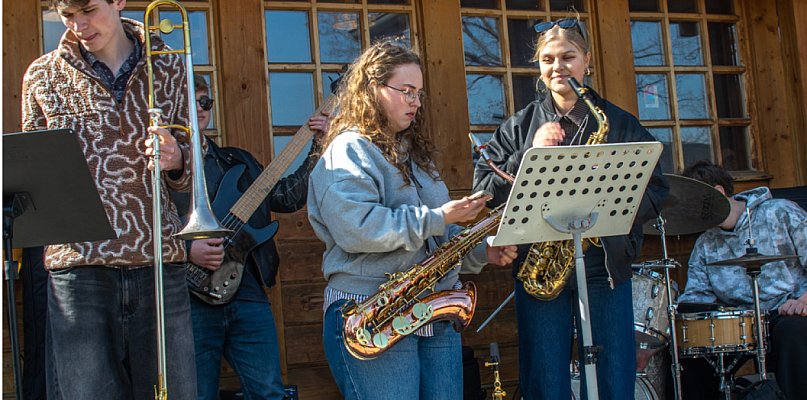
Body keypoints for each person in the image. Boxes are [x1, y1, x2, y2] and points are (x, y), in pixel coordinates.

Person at [307, 40, 518, 399]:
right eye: (406, 91)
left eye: (419, 93)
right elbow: (357, 230)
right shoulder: (346, 150)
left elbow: (437, 238)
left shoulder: (416, 156)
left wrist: (484, 250)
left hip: (432, 312)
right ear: (372, 88)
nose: (416, 102)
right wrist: (437, 217)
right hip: (371, 310)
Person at [472, 18, 669, 400]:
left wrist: (615, 211)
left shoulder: (620, 123)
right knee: (546, 380)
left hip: (603, 265)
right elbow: (484, 187)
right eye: (548, 59)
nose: (557, 66)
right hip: (540, 266)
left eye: (567, 57)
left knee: (615, 375)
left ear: (587, 62)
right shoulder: (521, 125)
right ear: (539, 66)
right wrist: (528, 156)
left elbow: (656, 188)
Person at [21, 0, 197, 398]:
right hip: (78, 270)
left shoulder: (168, 66)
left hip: (158, 263)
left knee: (175, 393)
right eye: (68, 16)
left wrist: (178, 158)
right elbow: (34, 176)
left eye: (89, 9)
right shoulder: (42, 75)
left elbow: (192, 173)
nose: (80, 24)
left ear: (118, 2)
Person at [172, 76, 320, 400]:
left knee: (269, 393)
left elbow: (286, 197)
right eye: (189, 101)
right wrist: (186, 249)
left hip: (247, 295)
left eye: (205, 102)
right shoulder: (161, 168)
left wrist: (319, 145)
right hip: (187, 298)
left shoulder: (238, 161)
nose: (199, 109)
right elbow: (145, 225)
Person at [678, 160, 807, 400]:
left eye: (694, 202)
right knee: (691, 352)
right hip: (737, 325)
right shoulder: (705, 244)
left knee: (793, 332)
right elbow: (696, 297)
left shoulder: (780, 212)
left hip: (789, 310)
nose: (691, 212)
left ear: (717, 192)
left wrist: (804, 301)